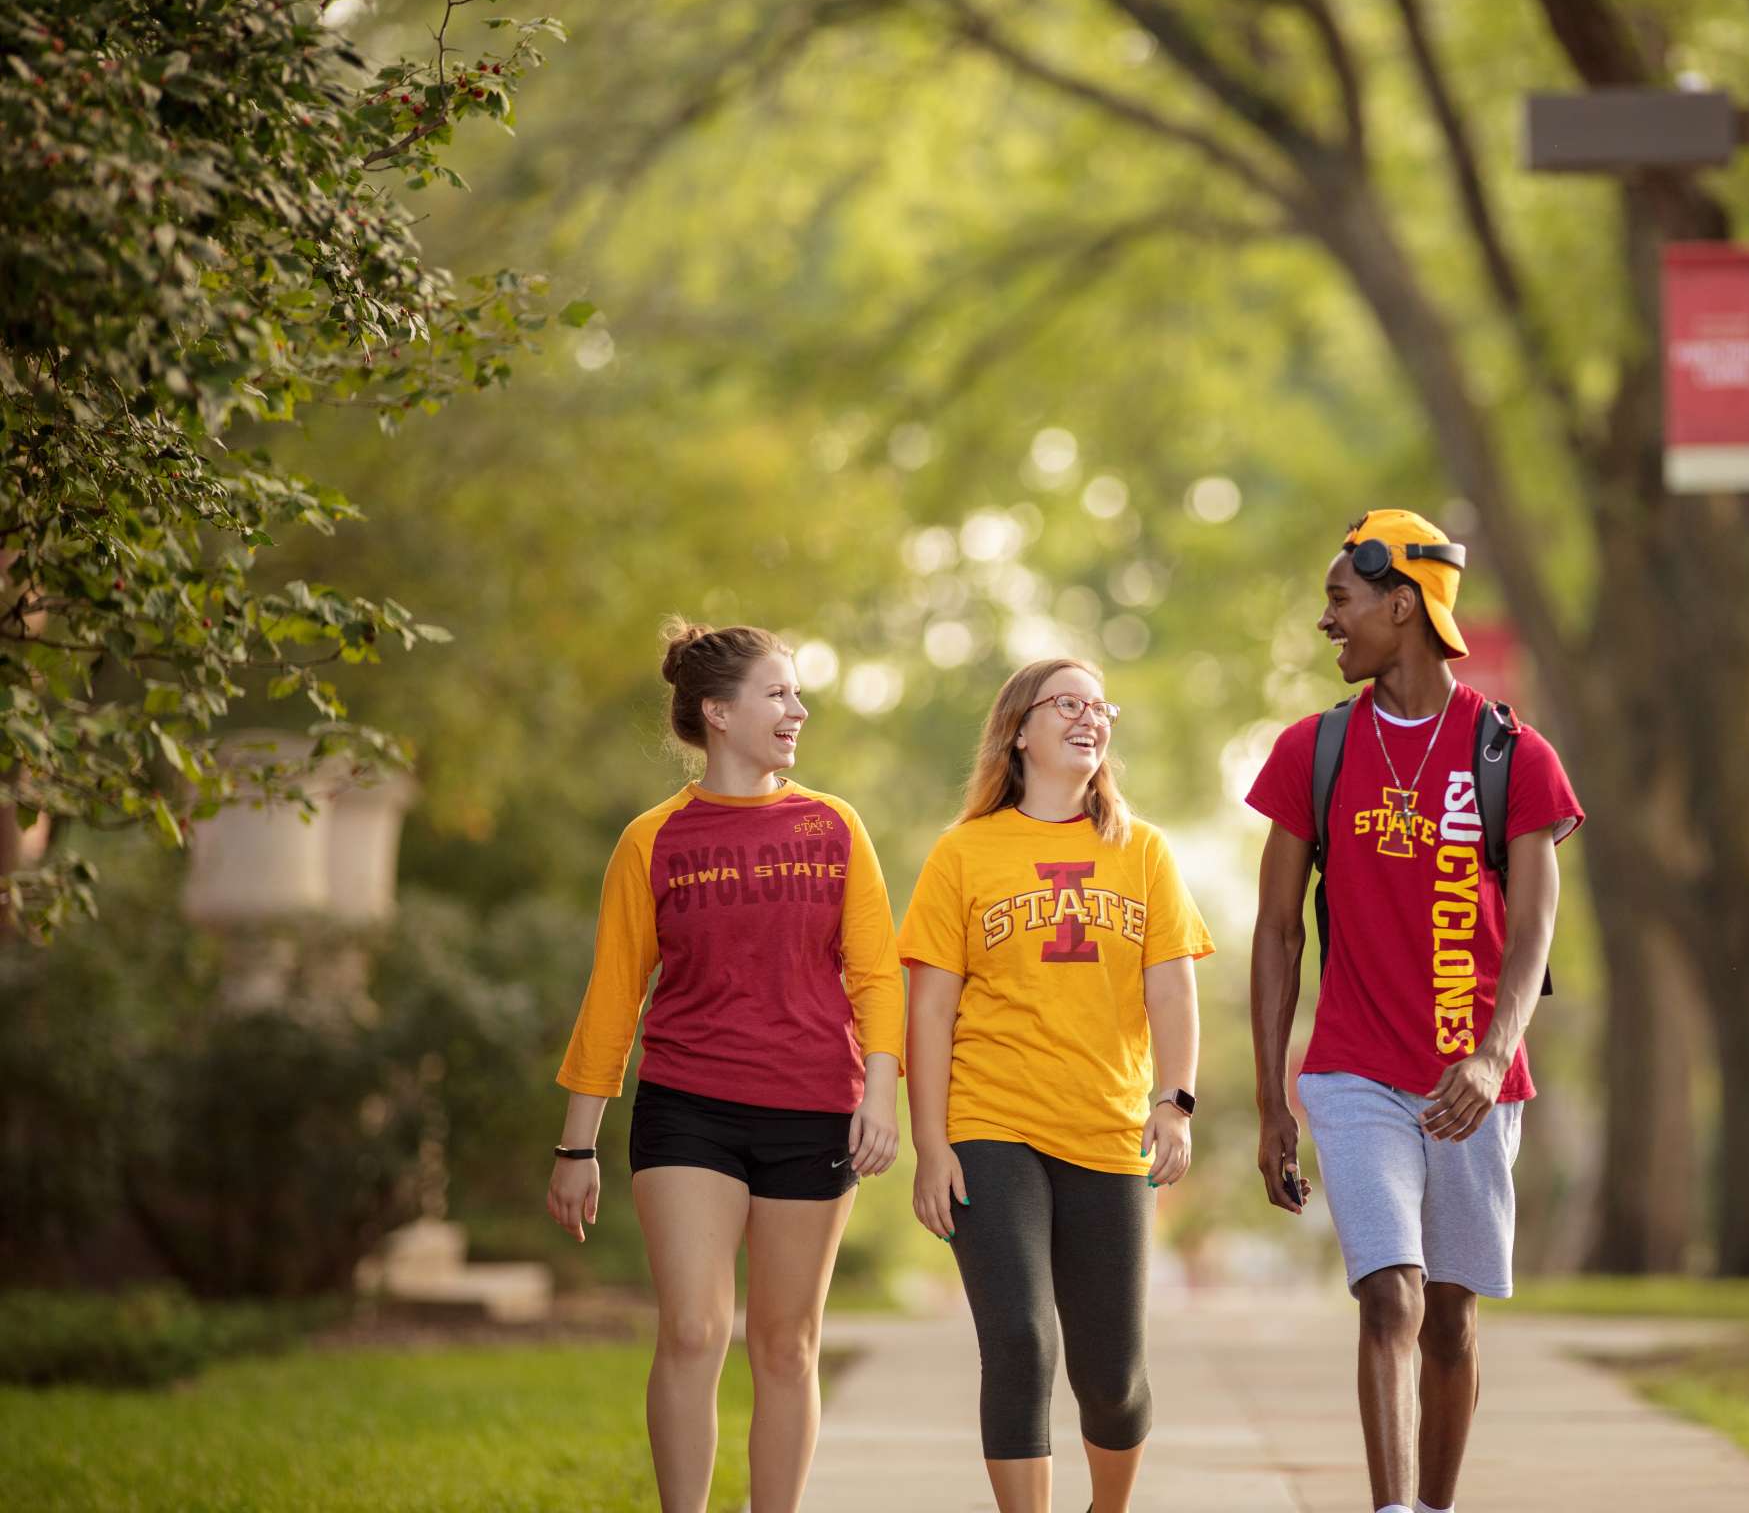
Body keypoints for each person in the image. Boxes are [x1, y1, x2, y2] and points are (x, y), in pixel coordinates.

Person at [1245, 511, 1582, 1513]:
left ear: (1404, 604)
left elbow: (1531, 938)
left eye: (1340, 601)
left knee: (1447, 1318)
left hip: (1471, 1087)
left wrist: (1489, 1057)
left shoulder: (1513, 756)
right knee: (1387, 1292)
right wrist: (1272, 1102)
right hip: (1352, 1071)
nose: (1325, 622)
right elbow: (1275, 936)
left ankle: (1435, 1505)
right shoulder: (1314, 751)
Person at [545, 619, 904, 1513]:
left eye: (797, 693)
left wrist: (881, 1097)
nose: (798, 709)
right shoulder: (651, 840)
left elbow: (876, 977)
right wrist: (576, 1145)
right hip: (688, 1107)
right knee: (696, 1328)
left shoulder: (833, 826)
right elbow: (613, 995)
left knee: (785, 1345)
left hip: (814, 1105)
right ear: (718, 712)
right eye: (778, 693)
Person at [901, 658, 1211, 1513]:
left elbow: (1174, 990)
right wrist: (931, 1146)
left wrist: (1174, 1101)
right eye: (1066, 703)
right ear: (1019, 729)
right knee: (1020, 1339)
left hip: (1108, 1129)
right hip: (989, 1123)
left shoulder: (1142, 851)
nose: (1090, 717)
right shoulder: (963, 853)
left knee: (1111, 1376)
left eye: (1099, 705)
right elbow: (927, 1012)